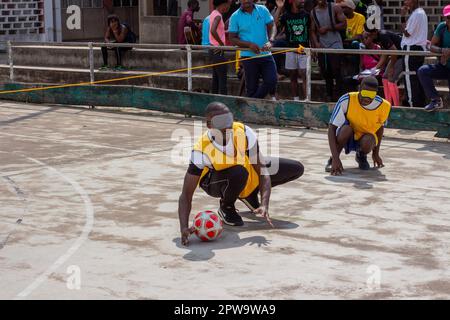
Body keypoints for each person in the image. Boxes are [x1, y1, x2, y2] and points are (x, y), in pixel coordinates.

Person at [178, 102, 304, 245]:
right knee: (239, 172)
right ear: (209, 125)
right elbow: (186, 194)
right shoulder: (201, 150)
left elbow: (262, 171)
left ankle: (249, 195)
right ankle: (226, 207)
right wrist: (183, 227)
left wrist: (264, 204)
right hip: (215, 181)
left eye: (228, 119)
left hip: (243, 173)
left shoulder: (244, 132)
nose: (227, 125)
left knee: (296, 168)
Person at [325, 76, 391, 175]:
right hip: (348, 136)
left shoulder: (384, 106)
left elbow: (380, 128)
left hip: (365, 138)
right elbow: (332, 128)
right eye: (365, 93)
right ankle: (333, 159)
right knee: (346, 129)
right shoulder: (346, 99)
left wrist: (376, 153)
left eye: (371, 94)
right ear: (359, 89)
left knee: (369, 139)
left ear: (376, 93)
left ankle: (361, 155)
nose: (367, 98)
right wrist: (335, 157)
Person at [229, 0, 278, 99]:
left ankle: (251, 103)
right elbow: (232, 38)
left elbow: (272, 26)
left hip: (266, 54)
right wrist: (249, 44)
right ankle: (253, 108)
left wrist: (271, 40)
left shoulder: (263, 9)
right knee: (251, 88)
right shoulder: (235, 16)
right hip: (248, 56)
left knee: (272, 80)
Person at [311, 0, 347, 101]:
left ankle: (340, 95)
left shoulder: (335, 8)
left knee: (336, 69)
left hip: (335, 43)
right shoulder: (313, 12)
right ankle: (329, 95)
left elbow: (344, 24)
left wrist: (328, 28)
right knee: (325, 71)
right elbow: (312, 31)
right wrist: (316, 44)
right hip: (322, 45)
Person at [275, 0, 312, 100]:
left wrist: (313, 48)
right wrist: (279, 8)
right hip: (290, 50)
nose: (303, 1)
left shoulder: (307, 15)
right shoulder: (286, 16)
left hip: (304, 50)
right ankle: (296, 99)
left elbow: (311, 32)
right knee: (293, 76)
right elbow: (274, 24)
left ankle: (307, 99)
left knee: (305, 75)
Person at [417, 5, 450, 112]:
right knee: (423, 71)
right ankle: (436, 100)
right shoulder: (442, 27)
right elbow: (431, 46)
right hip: (444, 66)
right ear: (445, 18)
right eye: (448, 17)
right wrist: (442, 51)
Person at [365, 24, 403, 106]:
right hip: (395, 56)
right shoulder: (375, 38)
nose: (369, 37)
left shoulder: (383, 36)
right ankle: (388, 104)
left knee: (391, 79)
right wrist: (375, 68)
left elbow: (394, 51)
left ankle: (397, 106)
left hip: (402, 56)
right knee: (384, 78)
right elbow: (385, 53)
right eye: (367, 35)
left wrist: (391, 67)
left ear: (375, 32)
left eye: (370, 35)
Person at [400, 0, 428, 108]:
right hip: (417, 49)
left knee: (410, 78)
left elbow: (407, 33)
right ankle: (419, 106)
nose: (405, 2)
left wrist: (402, 16)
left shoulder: (417, 14)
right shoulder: (420, 13)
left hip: (411, 50)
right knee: (416, 78)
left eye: (407, 0)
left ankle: (413, 107)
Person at [209, 0, 232, 95]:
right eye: (228, 5)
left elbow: (217, 31)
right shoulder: (218, 16)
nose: (228, 7)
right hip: (218, 50)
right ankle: (224, 101)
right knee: (222, 80)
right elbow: (213, 30)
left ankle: (214, 100)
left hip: (213, 49)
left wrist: (225, 32)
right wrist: (221, 44)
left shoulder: (213, 13)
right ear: (223, 4)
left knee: (216, 79)